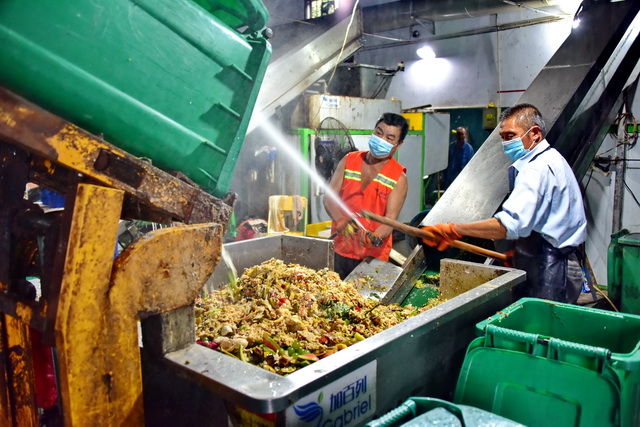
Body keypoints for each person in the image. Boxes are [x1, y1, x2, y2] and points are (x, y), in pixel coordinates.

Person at [422, 104, 586, 304]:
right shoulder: (551, 159)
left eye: (510, 136)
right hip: (553, 261)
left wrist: (453, 229)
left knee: (541, 331)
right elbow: (536, 221)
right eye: (502, 137)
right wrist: (517, 253)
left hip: (552, 269)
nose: (505, 143)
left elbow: (508, 225)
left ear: (534, 133)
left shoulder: (536, 170)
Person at [324, 113, 409, 279]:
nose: (382, 140)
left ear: (398, 145)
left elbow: (390, 220)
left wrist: (376, 236)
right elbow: (329, 198)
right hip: (341, 248)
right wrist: (340, 220)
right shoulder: (349, 160)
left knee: (364, 301)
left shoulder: (398, 178)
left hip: (373, 258)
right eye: (379, 133)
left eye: (390, 138)